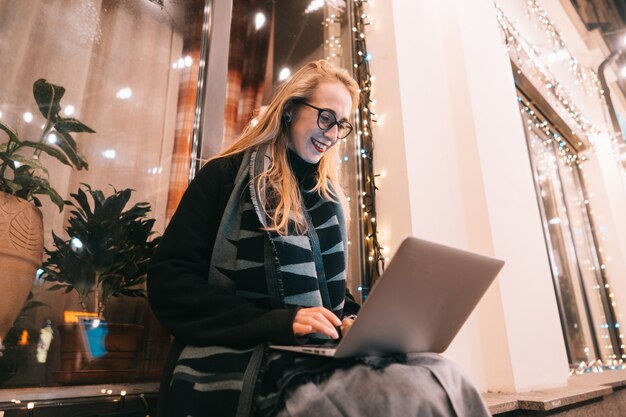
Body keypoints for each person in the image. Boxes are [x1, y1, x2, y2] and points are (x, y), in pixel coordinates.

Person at [147, 60, 491, 417]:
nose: (332, 133)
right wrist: (281, 322)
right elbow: (168, 285)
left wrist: (352, 320)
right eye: (326, 117)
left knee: (442, 372)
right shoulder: (223, 177)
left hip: (309, 354)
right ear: (290, 109)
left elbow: (328, 299)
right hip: (243, 360)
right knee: (400, 392)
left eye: (341, 125)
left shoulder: (323, 198)